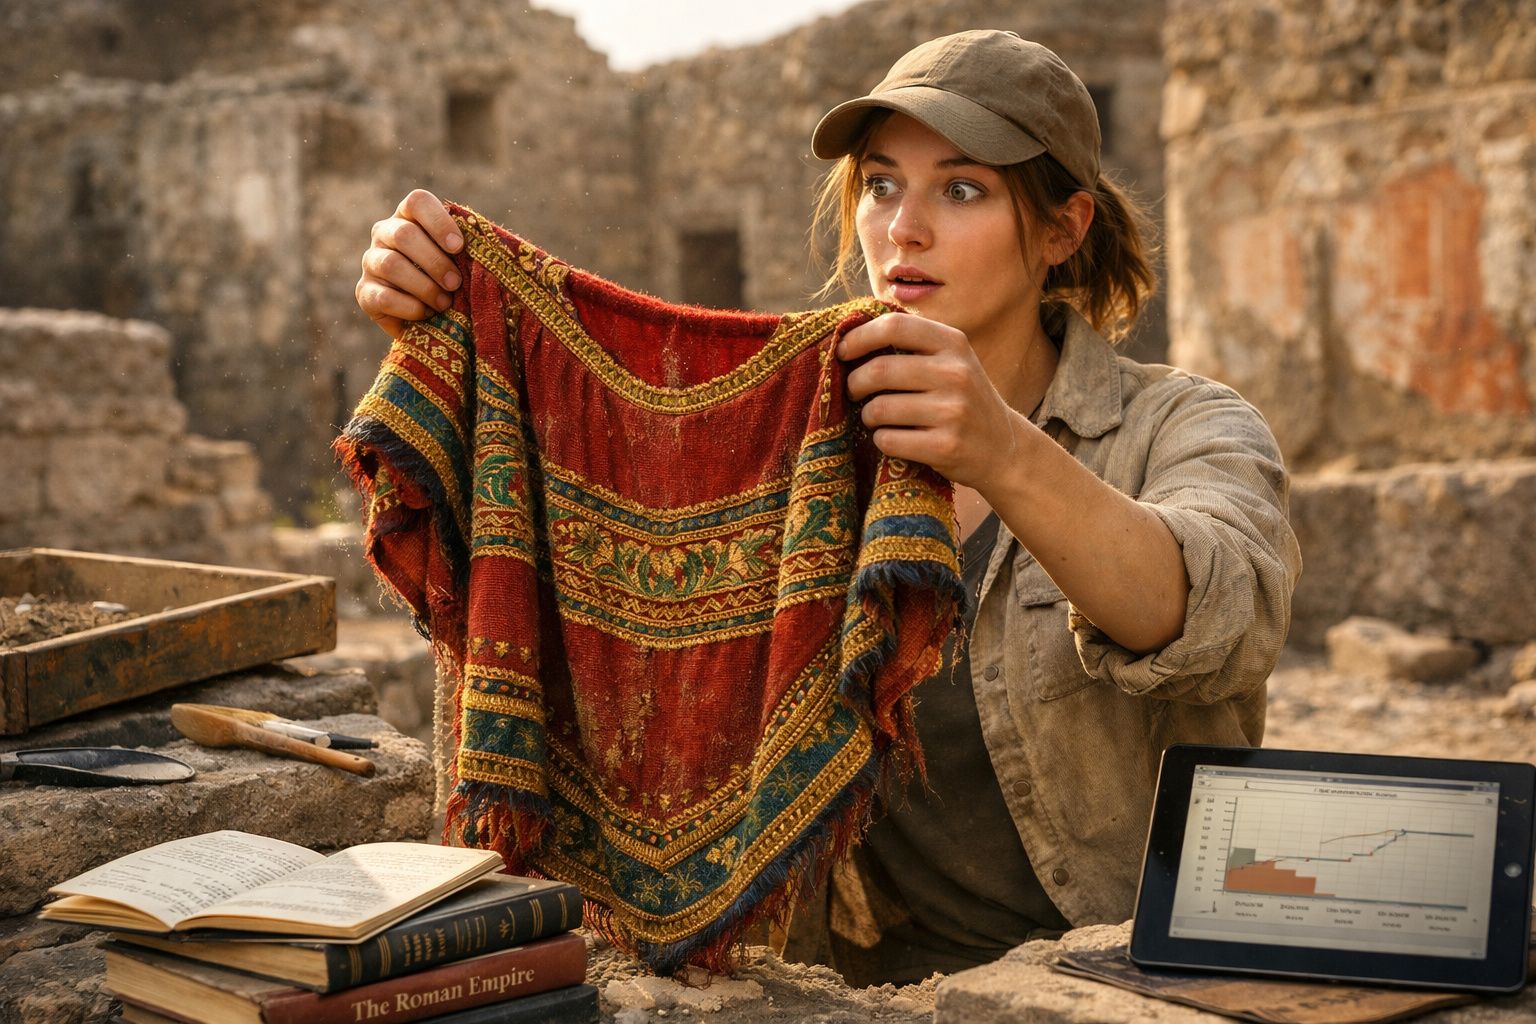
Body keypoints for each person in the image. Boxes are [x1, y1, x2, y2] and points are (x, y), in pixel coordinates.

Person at [353, 30, 1301, 986]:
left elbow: (1218, 615)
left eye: (961, 189)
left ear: (1062, 230)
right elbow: (592, 527)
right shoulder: (801, 439)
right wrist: (460, 341)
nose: (903, 229)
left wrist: (1006, 452)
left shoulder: (1180, 425)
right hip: (856, 993)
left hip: (1123, 981)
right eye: (881, 185)